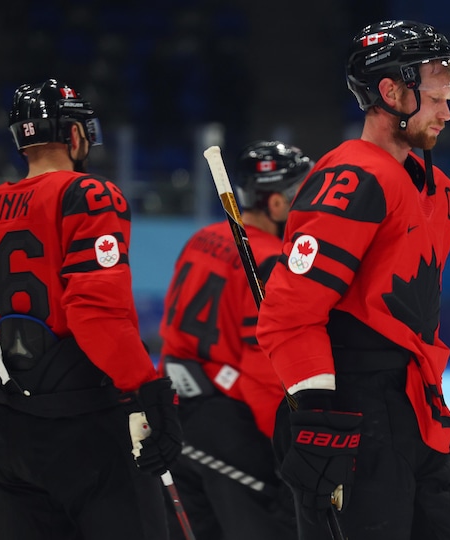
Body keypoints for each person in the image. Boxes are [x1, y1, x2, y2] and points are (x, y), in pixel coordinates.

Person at [256, 19, 450, 540]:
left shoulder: (441, 191)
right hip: (352, 416)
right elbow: (288, 315)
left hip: (411, 415)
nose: (448, 111)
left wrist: (440, 425)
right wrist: (316, 418)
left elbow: (412, 331)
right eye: (434, 95)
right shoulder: (353, 178)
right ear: (390, 92)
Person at [0, 79, 183, 540]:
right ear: (74, 135)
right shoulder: (90, 195)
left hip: (5, 433)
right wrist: (148, 393)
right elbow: (96, 313)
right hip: (86, 423)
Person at [158, 140, 310, 540]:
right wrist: (287, 449)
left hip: (178, 415)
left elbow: (170, 336)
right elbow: (261, 369)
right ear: (276, 204)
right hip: (233, 428)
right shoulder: (268, 260)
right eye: (299, 194)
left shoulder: (202, 238)